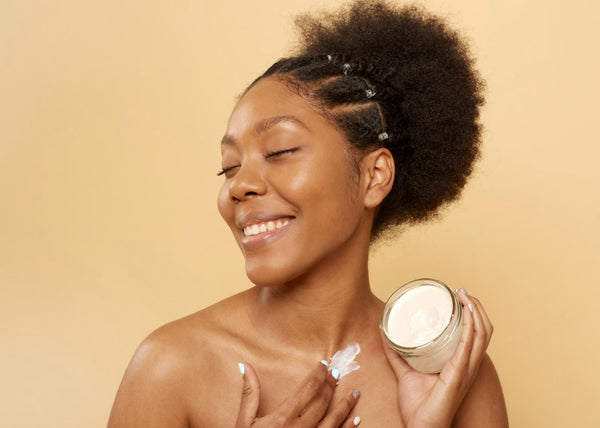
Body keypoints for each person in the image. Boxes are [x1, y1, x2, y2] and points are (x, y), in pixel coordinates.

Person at [108, 1, 508, 426]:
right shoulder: (172, 368)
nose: (239, 185)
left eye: (280, 151)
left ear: (374, 176)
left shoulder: (451, 375)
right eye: (229, 167)